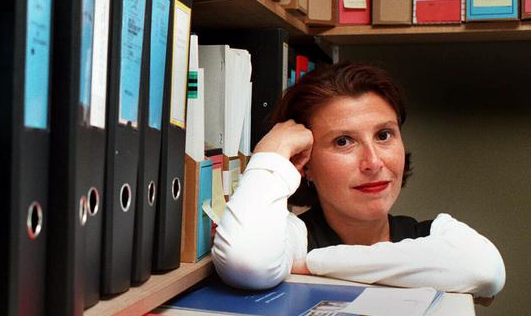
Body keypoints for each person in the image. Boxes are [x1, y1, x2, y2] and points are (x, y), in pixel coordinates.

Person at [211, 62, 505, 301]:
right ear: (306, 164)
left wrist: (317, 265)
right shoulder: (292, 238)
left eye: (384, 135)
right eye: (343, 141)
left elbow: (485, 271)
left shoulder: (433, 234)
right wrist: (270, 155)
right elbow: (246, 262)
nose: (373, 162)